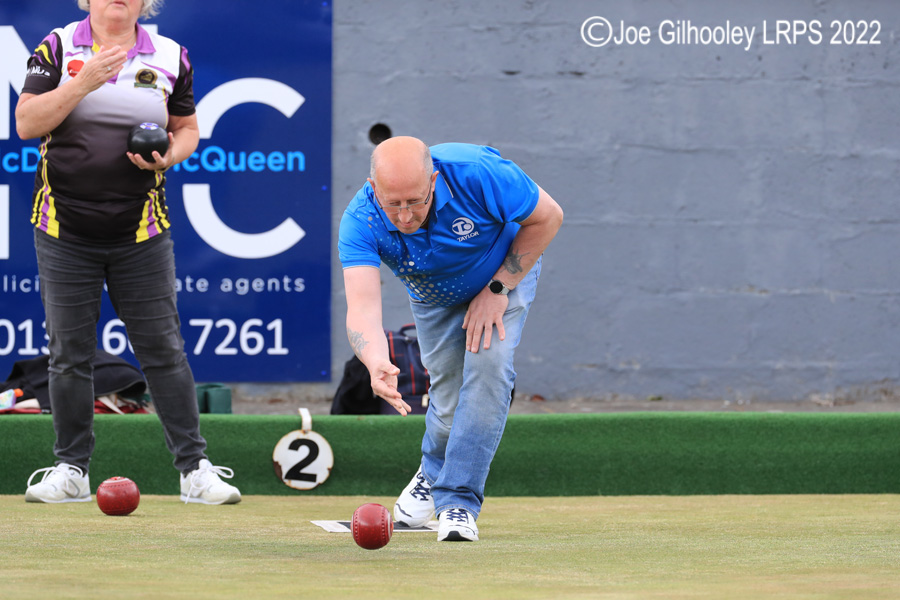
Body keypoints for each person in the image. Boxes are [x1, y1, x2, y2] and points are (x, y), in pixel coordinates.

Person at [16, 0, 240, 505]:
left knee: (163, 350)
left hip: (141, 231)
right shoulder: (56, 46)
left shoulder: (169, 55)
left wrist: (167, 158)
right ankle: (70, 469)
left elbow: (187, 130)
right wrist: (82, 82)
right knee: (69, 357)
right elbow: (28, 123)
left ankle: (194, 471)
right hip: (62, 228)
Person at [339, 136, 563, 541]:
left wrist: (497, 290)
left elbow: (548, 216)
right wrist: (374, 360)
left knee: (489, 367)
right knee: (446, 400)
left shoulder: (477, 172)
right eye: (394, 204)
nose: (405, 216)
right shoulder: (359, 219)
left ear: (434, 181)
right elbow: (362, 309)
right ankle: (431, 472)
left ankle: (457, 502)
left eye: (416, 201)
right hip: (433, 298)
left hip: (502, 277)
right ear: (374, 190)